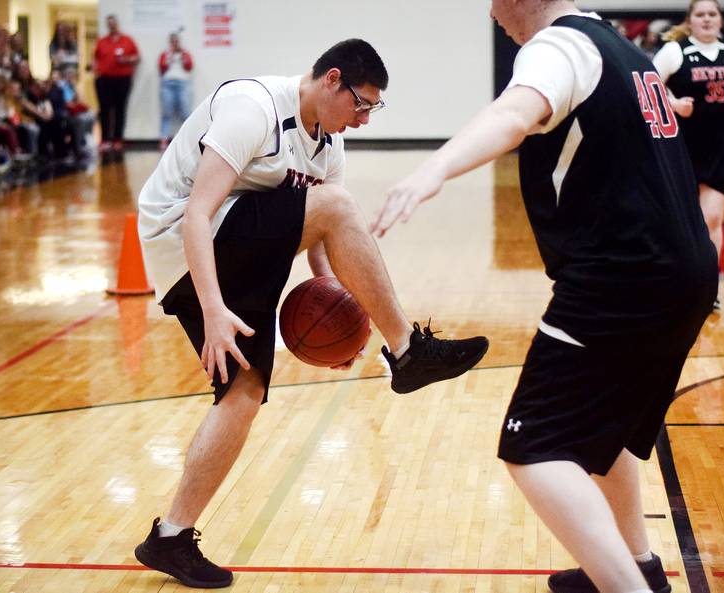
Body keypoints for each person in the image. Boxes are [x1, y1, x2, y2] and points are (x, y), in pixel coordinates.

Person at [372, 1, 716, 592]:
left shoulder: (558, 47)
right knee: (608, 429)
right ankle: (637, 564)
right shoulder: (623, 48)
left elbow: (515, 113)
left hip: (622, 279)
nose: (491, 11)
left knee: (532, 446)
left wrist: (435, 169)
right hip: (684, 272)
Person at [134, 38, 488, 589]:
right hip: (180, 237)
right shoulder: (254, 109)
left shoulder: (329, 144)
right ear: (332, 80)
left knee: (243, 395)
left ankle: (171, 536)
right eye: (362, 104)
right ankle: (409, 352)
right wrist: (212, 310)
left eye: (374, 109)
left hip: (234, 242)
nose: (365, 119)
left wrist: (342, 323)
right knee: (339, 204)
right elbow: (198, 214)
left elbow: (322, 237)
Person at [653, 0, 724, 310]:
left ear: (720, 19)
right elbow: (649, 83)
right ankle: (677, 280)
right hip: (683, 148)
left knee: (712, 218)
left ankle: (708, 287)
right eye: (700, 14)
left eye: (712, 14)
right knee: (683, 221)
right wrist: (673, 104)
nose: (707, 19)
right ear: (690, 20)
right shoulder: (676, 51)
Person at [93, 14, 139, 152]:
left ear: (117, 24)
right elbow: (95, 59)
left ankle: (118, 139)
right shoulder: (102, 41)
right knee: (104, 109)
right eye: (109, 23)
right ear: (108, 25)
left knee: (120, 109)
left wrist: (127, 60)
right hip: (104, 80)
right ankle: (105, 139)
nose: (112, 25)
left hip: (122, 79)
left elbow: (136, 57)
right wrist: (96, 73)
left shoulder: (127, 40)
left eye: (114, 23)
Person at [158, 32, 193, 150]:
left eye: (176, 41)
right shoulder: (165, 54)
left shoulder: (185, 53)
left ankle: (188, 138)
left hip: (182, 84)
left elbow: (189, 67)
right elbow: (161, 68)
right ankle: (164, 138)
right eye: (172, 41)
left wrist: (182, 57)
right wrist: (170, 57)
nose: (175, 43)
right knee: (166, 112)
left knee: (185, 112)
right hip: (167, 85)